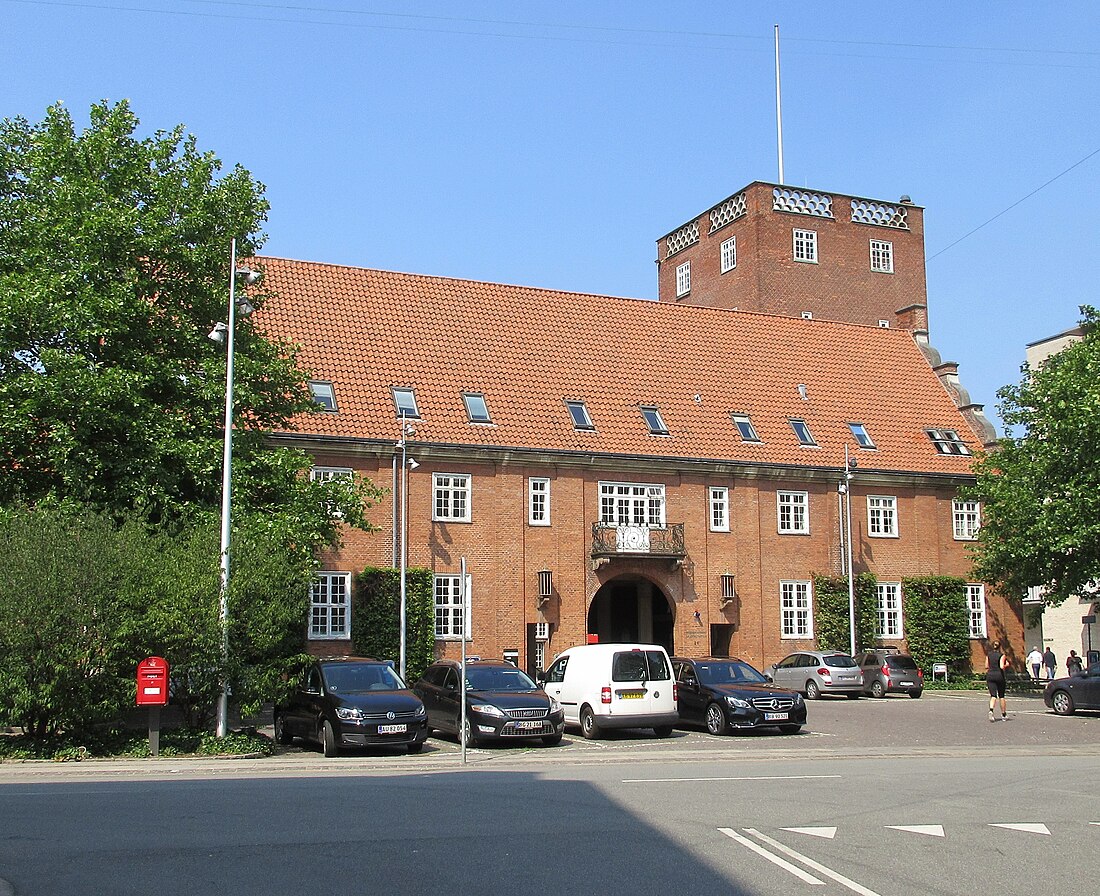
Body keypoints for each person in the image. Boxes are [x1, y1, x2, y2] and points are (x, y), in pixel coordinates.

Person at [986, 640, 1010, 722]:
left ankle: (991, 710)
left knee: (993, 696)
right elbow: (1001, 666)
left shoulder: (988, 655)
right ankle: (1003, 714)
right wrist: (1006, 664)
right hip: (999, 676)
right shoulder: (1002, 655)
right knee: (1001, 696)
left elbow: (986, 666)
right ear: (1000, 647)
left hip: (990, 675)